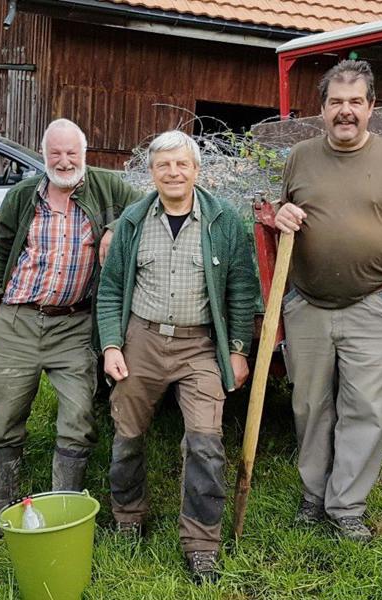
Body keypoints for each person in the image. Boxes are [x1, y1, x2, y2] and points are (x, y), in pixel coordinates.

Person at [273, 60, 382, 543]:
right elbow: (286, 213)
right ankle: (312, 494)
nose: (346, 111)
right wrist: (280, 214)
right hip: (307, 303)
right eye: (336, 102)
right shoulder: (299, 156)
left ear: (372, 107)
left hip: (375, 300)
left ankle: (345, 507)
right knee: (308, 404)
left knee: (367, 406)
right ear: (321, 110)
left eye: (355, 102)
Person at [97, 130, 259, 583]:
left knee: (206, 444)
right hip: (142, 340)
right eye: (164, 165)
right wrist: (112, 344)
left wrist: (238, 349)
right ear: (151, 172)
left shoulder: (222, 219)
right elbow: (110, 290)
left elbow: (242, 289)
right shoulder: (133, 220)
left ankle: (202, 542)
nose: (173, 173)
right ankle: (128, 517)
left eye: (181, 164)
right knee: (127, 433)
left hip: (200, 346)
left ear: (196, 170)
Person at [0, 118, 142, 539]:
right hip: (17, 318)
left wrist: (113, 228)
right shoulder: (23, 196)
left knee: (79, 414)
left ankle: (62, 504)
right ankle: (4, 504)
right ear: (44, 155)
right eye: (56, 154)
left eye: (73, 153)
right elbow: (0, 248)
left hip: (73, 324)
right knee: (4, 413)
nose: (65, 161)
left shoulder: (110, 188)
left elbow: (145, 208)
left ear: (84, 155)